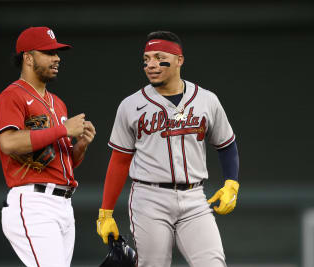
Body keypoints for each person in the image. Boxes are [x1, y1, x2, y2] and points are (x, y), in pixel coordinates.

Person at [96, 31, 240, 267]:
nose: (151, 64)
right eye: (147, 59)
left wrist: (231, 183)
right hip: (149, 198)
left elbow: (226, 144)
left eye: (159, 57)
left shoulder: (206, 100)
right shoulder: (130, 105)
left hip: (194, 197)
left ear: (179, 60)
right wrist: (106, 212)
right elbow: (119, 160)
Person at [0, 26, 96, 267]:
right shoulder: (12, 96)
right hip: (33, 202)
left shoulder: (57, 103)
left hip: (63, 203)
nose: (57, 58)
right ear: (28, 57)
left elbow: (61, 162)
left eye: (57, 53)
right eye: (49, 52)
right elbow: (7, 142)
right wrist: (63, 130)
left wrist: (80, 146)